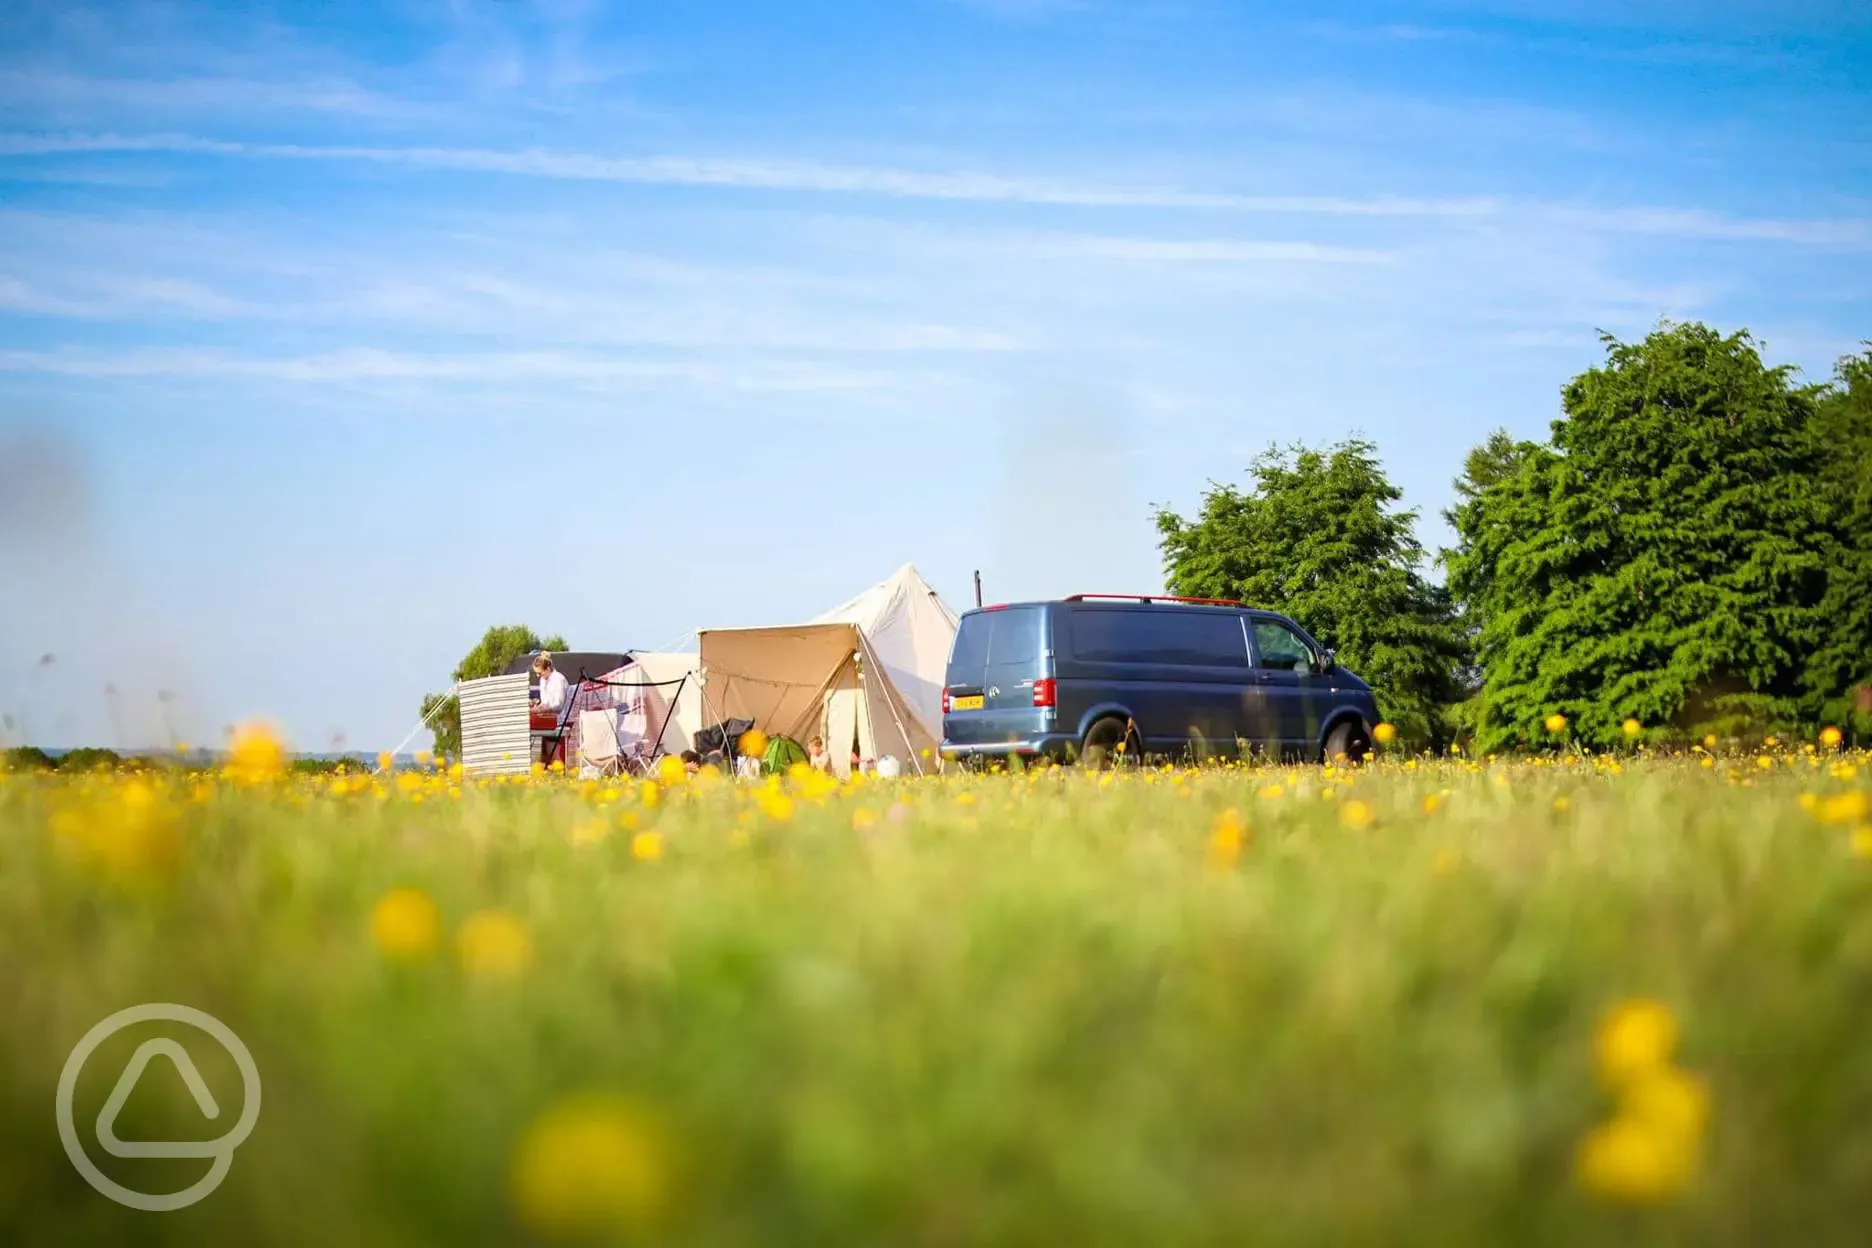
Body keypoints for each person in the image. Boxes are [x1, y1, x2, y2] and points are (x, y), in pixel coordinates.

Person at [532, 653, 570, 767]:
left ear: (548, 668)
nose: (538, 676)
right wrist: (537, 707)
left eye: (540, 672)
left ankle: (559, 772)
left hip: (562, 720)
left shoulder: (559, 679)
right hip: (549, 720)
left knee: (556, 751)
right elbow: (545, 701)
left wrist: (540, 709)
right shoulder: (543, 680)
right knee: (547, 751)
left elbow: (558, 704)